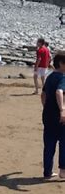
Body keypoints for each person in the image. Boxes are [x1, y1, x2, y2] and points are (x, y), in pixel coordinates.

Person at [40, 51, 65, 179]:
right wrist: (62, 110)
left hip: (48, 114)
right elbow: (59, 92)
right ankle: (63, 171)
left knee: (49, 144)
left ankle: (47, 172)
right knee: (63, 142)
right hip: (60, 117)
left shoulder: (50, 77)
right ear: (61, 64)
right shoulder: (62, 77)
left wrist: (45, 107)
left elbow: (43, 94)